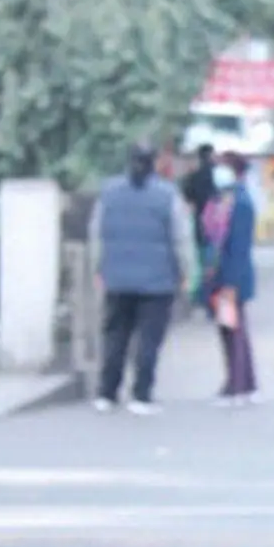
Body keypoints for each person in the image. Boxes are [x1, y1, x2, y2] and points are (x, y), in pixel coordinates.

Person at [91, 142, 192, 415]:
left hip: (117, 279)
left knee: (115, 336)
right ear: (154, 162)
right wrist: (185, 272)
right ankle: (141, 394)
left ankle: (107, 393)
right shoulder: (167, 195)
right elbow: (180, 238)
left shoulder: (108, 193)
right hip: (157, 282)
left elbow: (96, 235)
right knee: (149, 339)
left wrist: (98, 269)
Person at [206, 152, 259, 406]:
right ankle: (245, 383)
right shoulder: (224, 200)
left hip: (230, 278)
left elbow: (237, 247)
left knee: (232, 330)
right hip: (223, 276)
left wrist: (230, 283)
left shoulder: (238, 203)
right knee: (230, 330)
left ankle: (236, 385)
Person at [180, 144, 218, 301]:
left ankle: (200, 295)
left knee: (200, 260)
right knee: (213, 259)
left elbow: (186, 197)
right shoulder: (217, 175)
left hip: (199, 221)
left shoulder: (193, 176)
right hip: (216, 222)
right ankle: (213, 293)